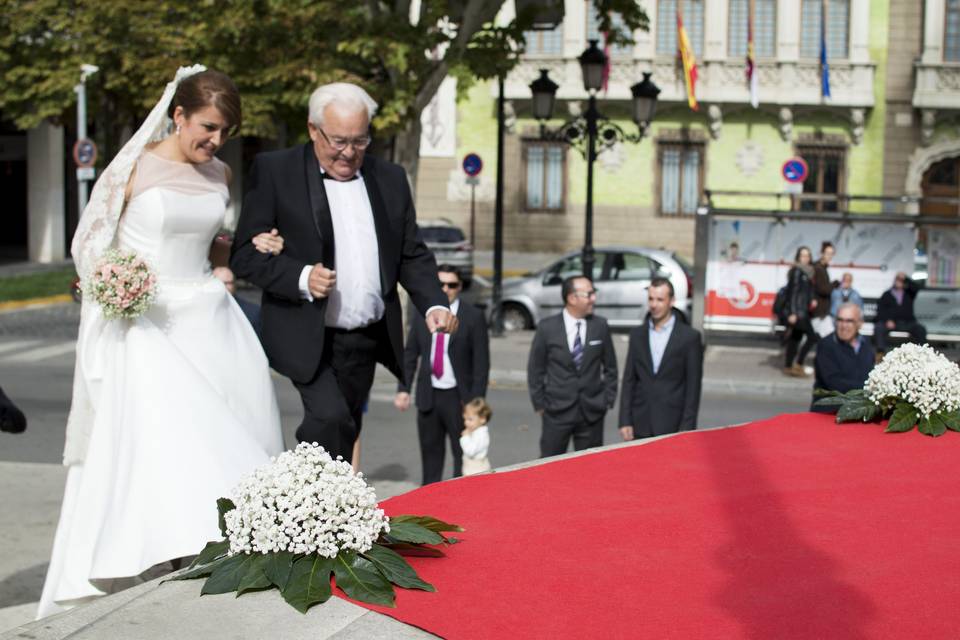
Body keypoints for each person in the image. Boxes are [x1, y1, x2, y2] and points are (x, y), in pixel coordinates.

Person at [38, 67, 285, 618]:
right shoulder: (134, 167)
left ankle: (218, 550)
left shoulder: (219, 172)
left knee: (230, 429)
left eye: (225, 132)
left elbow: (212, 240)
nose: (216, 141)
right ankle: (166, 551)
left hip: (208, 318)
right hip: (143, 322)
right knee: (170, 441)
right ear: (178, 116)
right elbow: (89, 243)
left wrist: (228, 262)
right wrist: (114, 282)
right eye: (207, 127)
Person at [230, 82, 455, 464]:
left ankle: (328, 514)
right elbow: (245, 256)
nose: (349, 153)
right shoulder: (276, 171)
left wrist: (433, 303)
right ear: (313, 130)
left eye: (360, 140)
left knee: (347, 427)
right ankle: (304, 504)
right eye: (338, 141)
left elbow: (411, 253)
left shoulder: (390, 179)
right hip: (306, 334)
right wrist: (301, 277)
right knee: (328, 420)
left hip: (365, 337)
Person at [394, 265, 489, 484]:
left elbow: (481, 364)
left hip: (459, 398)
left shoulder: (472, 317)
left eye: (452, 284)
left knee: (462, 456)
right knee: (430, 458)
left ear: (460, 287)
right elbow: (410, 354)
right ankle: (430, 506)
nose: (446, 289)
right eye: (441, 284)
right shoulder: (423, 314)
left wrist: (475, 402)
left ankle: (458, 503)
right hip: (429, 395)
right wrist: (403, 389)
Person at [527, 275, 618, 457]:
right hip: (556, 412)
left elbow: (610, 367)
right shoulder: (547, 328)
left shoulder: (600, 326)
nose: (594, 298)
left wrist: (607, 399)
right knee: (550, 467)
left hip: (591, 413)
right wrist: (540, 404)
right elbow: (535, 369)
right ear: (571, 298)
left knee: (590, 470)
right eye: (589, 294)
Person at [619, 277, 703, 440]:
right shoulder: (637, 335)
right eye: (651, 299)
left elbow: (693, 387)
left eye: (660, 299)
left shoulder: (689, 337)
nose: (654, 305)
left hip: (672, 423)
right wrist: (625, 420)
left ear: (671, 301)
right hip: (640, 422)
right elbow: (629, 380)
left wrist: (687, 427)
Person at [811, 303, 875, 412]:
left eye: (849, 321)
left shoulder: (866, 345)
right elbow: (834, 383)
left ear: (860, 323)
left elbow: (870, 375)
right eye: (840, 320)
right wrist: (870, 389)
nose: (844, 325)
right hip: (829, 413)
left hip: (860, 411)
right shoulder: (826, 345)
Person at [783, 246, 818, 377]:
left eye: (808, 255)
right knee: (812, 337)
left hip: (803, 310)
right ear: (798, 257)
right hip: (799, 312)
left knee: (795, 338)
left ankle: (788, 366)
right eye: (803, 255)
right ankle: (798, 364)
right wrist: (792, 312)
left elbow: (805, 292)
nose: (805, 258)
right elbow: (792, 293)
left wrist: (812, 299)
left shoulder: (807, 272)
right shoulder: (797, 271)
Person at [874, 272, 927, 355]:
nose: (899, 281)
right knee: (879, 328)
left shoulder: (909, 293)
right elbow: (880, 310)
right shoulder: (887, 294)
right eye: (897, 279)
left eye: (901, 280)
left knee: (921, 329)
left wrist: (906, 278)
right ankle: (880, 353)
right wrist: (887, 320)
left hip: (908, 322)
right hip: (892, 323)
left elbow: (917, 287)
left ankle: (922, 353)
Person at [460, 397, 492, 476]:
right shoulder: (475, 431)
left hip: (477, 470)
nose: (466, 422)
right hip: (470, 469)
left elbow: (470, 451)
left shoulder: (481, 435)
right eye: (465, 419)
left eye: (470, 419)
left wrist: (465, 437)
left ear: (482, 419)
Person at [811, 241, 837, 338]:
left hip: (821, 311)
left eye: (831, 254)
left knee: (814, 339)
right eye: (827, 253)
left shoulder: (822, 268)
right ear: (822, 253)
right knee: (828, 338)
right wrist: (834, 284)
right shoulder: (818, 268)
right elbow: (823, 289)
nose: (830, 256)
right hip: (819, 312)